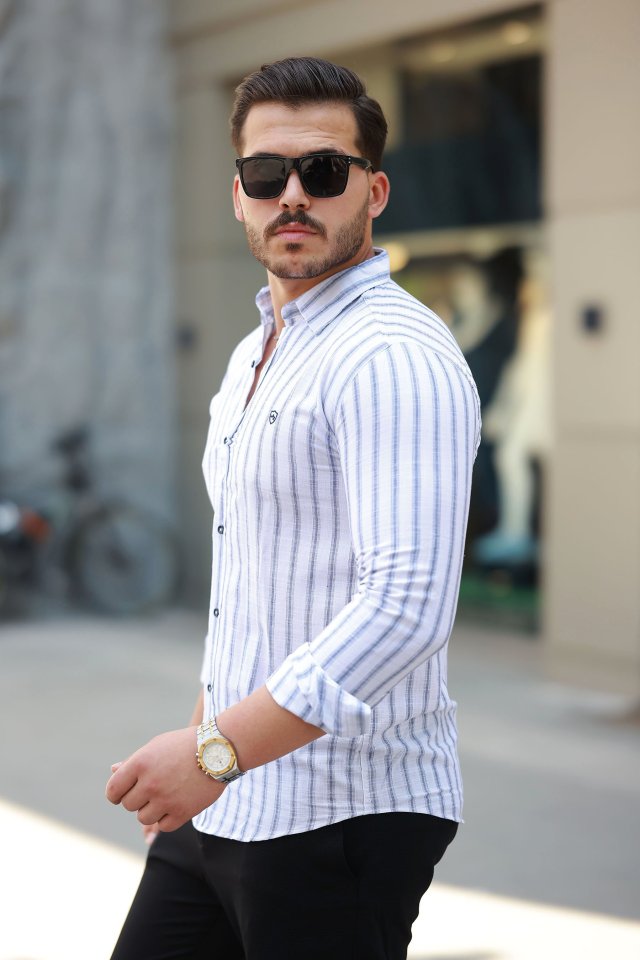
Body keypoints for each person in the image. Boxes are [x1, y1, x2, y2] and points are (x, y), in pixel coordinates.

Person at [106, 56, 481, 960]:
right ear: (239, 193)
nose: (294, 196)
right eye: (268, 174)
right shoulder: (256, 352)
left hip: (341, 815)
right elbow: (252, 583)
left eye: (324, 170)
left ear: (374, 190)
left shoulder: (391, 354)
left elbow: (405, 609)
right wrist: (204, 747)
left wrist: (213, 754)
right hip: (231, 794)